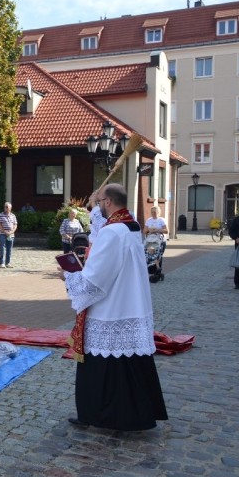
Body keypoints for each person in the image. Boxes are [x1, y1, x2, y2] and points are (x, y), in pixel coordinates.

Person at [61, 184, 167, 431]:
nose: (97, 206)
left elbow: (95, 279)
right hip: (131, 303)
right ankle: (134, 414)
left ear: (108, 202)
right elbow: (101, 236)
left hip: (111, 307)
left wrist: (69, 275)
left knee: (102, 366)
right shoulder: (132, 226)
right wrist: (95, 205)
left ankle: (99, 415)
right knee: (128, 365)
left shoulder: (114, 233)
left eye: (99, 202)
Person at [0, 202, 18, 268]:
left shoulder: (13, 216)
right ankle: (1, 263)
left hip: (11, 235)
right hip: (2, 234)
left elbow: (15, 225)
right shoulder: (0, 215)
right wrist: (4, 231)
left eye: (7, 207)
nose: (6, 208)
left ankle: (7, 263)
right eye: (5, 206)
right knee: (2, 248)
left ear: (10, 208)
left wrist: (11, 232)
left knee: (9, 249)